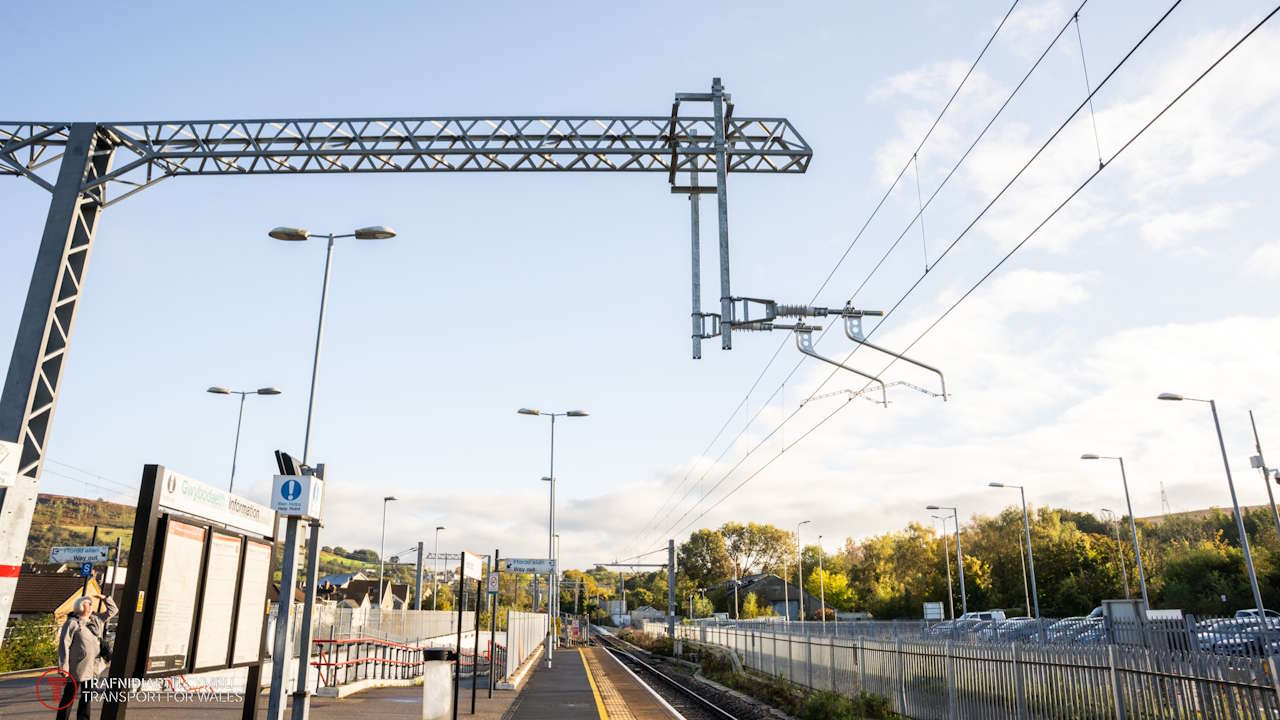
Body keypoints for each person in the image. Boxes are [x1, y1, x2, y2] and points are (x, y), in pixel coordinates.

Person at [56, 593, 117, 720]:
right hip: (76, 667)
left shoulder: (96, 620)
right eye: (87, 603)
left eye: (91, 603)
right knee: (69, 696)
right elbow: (64, 645)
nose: (90, 605)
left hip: (92, 667)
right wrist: (63, 666)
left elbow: (113, 610)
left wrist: (105, 598)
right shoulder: (72, 623)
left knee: (87, 697)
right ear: (79, 606)